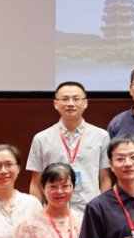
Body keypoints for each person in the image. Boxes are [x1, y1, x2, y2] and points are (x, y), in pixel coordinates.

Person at [26, 81, 112, 212]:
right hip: (54, 211)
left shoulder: (101, 136)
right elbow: (36, 183)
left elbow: (105, 179)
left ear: (85, 103)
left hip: (90, 210)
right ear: (56, 104)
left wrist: (103, 210)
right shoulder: (41, 138)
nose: (70, 103)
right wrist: (36, 214)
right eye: (65, 99)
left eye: (76, 99)